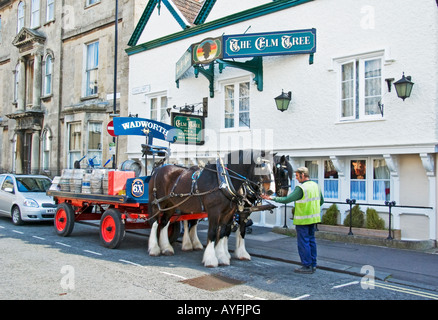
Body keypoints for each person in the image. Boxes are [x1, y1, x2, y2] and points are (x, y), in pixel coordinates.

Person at [262, 167, 324, 274]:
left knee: (303, 242)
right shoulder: (316, 186)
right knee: (311, 241)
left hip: (303, 220)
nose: (296, 178)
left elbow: (287, 199)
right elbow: (321, 201)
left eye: (297, 175)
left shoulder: (301, 188)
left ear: (303, 175)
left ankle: (306, 265)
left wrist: (271, 198)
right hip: (314, 219)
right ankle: (313, 264)